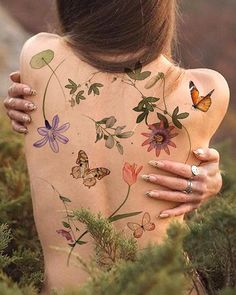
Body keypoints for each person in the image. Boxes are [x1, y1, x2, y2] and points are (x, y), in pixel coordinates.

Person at [3, 1, 229, 294]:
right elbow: (193, 164)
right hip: (166, 287)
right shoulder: (205, 89)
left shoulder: (39, 57)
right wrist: (213, 179)